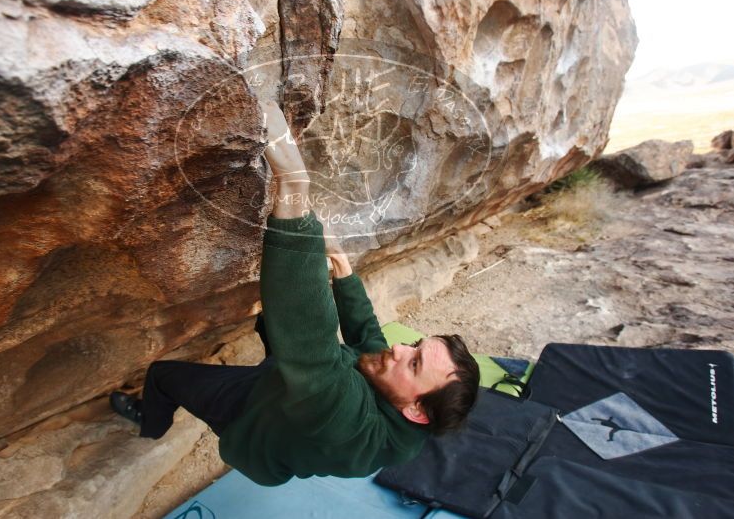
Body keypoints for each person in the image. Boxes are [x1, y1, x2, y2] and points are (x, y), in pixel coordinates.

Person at [110, 100, 480, 486]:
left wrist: (294, 185)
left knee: (163, 375)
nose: (403, 349)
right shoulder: (404, 402)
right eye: (417, 345)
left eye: (415, 363)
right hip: (293, 397)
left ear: (418, 411)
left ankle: (150, 423)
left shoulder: (350, 428)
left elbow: (311, 335)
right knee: (273, 321)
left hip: (250, 413)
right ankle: (270, 358)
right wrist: (341, 265)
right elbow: (369, 340)